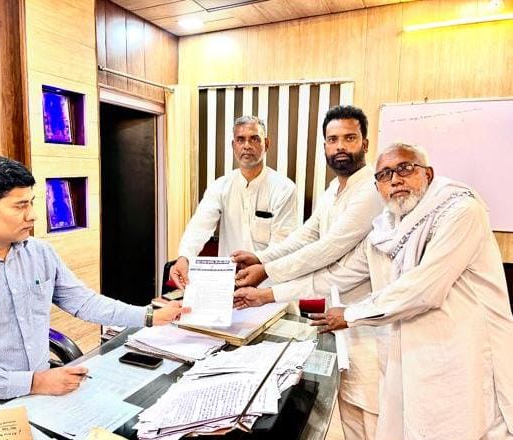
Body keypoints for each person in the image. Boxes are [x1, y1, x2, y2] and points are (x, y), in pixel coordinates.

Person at [240, 143, 513, 440]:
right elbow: (338, 274)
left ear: (428, 174)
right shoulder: (385, 230)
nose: (395, 180)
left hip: (463, 356)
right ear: (377, 187)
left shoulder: (459, 211)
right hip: (411, 359)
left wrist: (350, 314)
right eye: (384, 174)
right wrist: (266, 295)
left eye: (405, 168)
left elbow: (423, 289)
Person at [0, 156, 189, 403]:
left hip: (42, 393)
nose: (32, 215)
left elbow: (84, 302)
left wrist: (150, 316)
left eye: (31, 202)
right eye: (20, 206)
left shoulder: (40, 253)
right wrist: (34, 383)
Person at [232, 105, 383, 440]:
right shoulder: (334, 190)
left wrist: (266, 271)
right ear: (325, 145)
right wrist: (260, 257)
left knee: (372, 418)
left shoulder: (370, 190)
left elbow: (327, 248)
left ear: (365, 143)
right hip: (337, 318)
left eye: (349, 138)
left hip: (368, 323)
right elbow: (307, 235)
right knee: (348, 411)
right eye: (333, 139)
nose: (340, 146)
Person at [169, 115, 297, 289]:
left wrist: (261, 265)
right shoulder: (220, 186)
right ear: (233, 145)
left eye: (254, 139)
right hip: (229, 285)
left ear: (266, 144)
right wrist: (184, 257)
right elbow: (200, 226)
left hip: (269, 286)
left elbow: (283, 244)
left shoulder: (284, 188)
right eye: (240, 139)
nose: (247, 145)